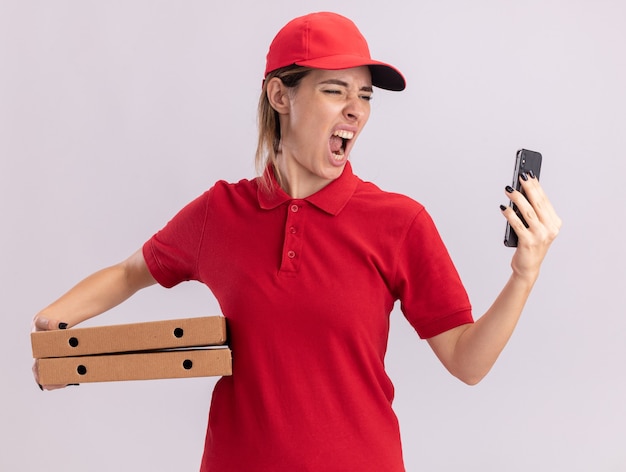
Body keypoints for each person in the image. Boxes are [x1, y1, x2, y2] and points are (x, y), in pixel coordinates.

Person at [32, 11, 562, 472]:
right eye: (335, 90)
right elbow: (131, 272)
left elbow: (467, 362)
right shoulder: (221, 212)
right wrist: (57, 333)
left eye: (364, 96)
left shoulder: (400, 223)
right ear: (280, 94)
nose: (356, 110)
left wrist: (524, 273)